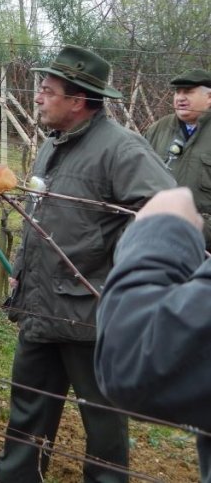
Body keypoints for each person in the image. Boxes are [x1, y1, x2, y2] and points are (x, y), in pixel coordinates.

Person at [0, 45, 175, 483]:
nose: (37, 96)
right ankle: (17, 476)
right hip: (41, 301)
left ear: (78, 100)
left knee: (102, 417)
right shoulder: (51, 147)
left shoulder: (121, 149)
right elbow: (40, 216)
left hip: (91, 311)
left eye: (47, 90)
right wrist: (22, 265)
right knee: (30, 400)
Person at [94, 187, 211, 483]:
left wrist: (163, 232)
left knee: (98, 412)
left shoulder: (121, 146)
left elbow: (135, 355)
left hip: (116, 292)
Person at [143, 69, 211, 249]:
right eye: (177, 92)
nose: (180, 98)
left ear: (209, 98)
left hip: (204, 247)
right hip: (155, 239)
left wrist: (201, 231)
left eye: (188, 92)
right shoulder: (158, 129)